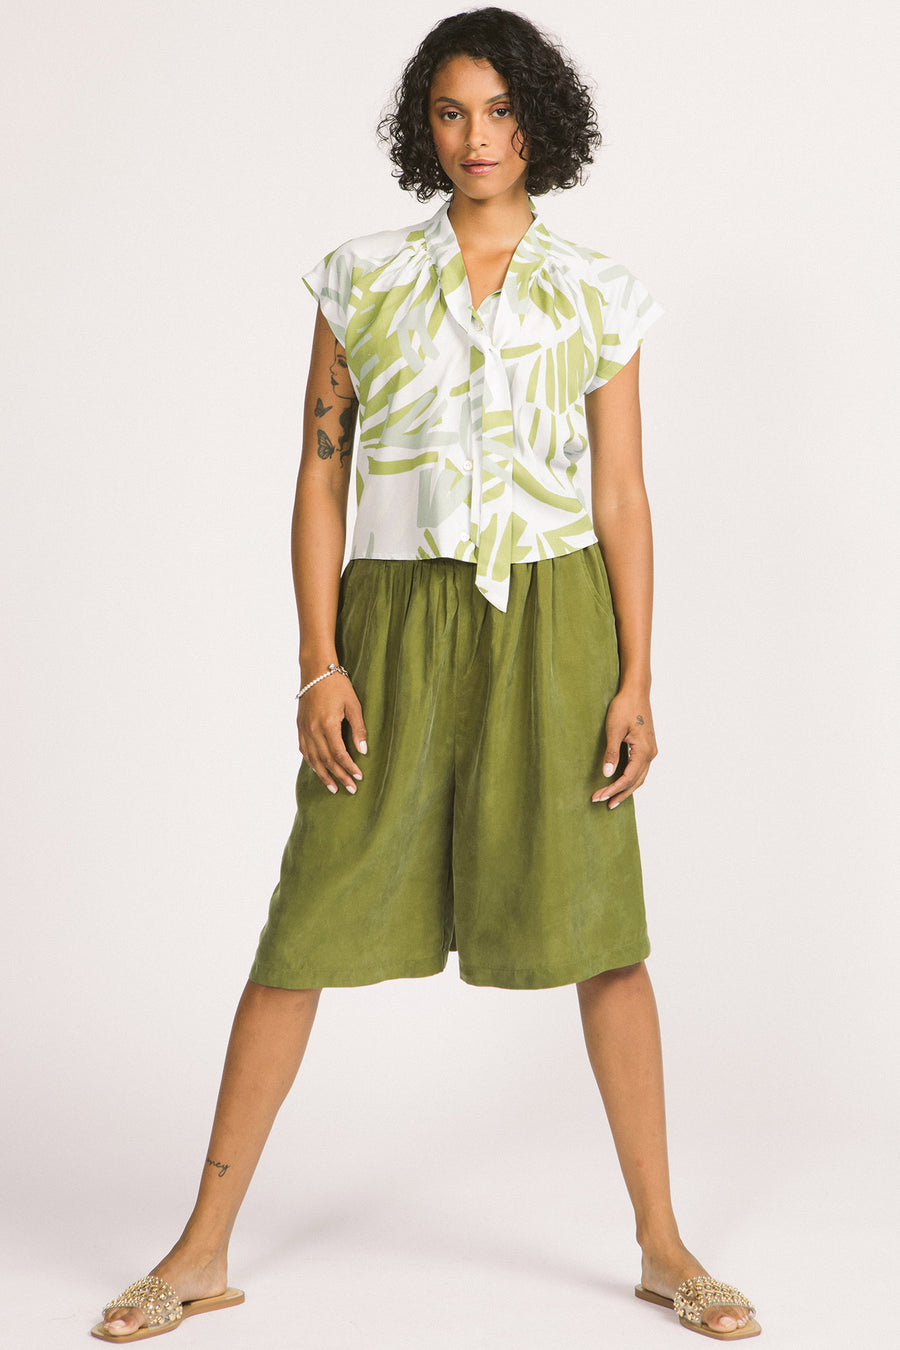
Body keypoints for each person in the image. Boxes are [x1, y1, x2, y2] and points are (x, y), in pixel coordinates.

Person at [92, 7, 761, 1342]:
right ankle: (200, 1247)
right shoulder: (361, 279)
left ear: (540, 121)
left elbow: (622, 494)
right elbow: (320, 475)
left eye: (501, 111)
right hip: (391, 624)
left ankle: (663, 1242)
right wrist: (318, 662)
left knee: (602, 933)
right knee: (304, 926)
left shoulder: (598, 290)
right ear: (424, 128)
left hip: (553, 620)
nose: (478, 137)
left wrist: (636, 678)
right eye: (452, 112)